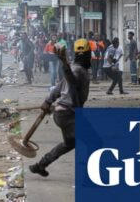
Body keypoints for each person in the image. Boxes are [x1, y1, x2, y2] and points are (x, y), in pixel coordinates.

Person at [29, 39, 92, 177]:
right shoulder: (78, 70)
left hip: (62, 113)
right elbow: (71, 80)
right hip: (69, 114)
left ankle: (40, 165)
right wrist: (64, 64)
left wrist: (48, 100)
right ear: (88, 54)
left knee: (69, 144)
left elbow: (58, 88)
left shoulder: (76, 68)